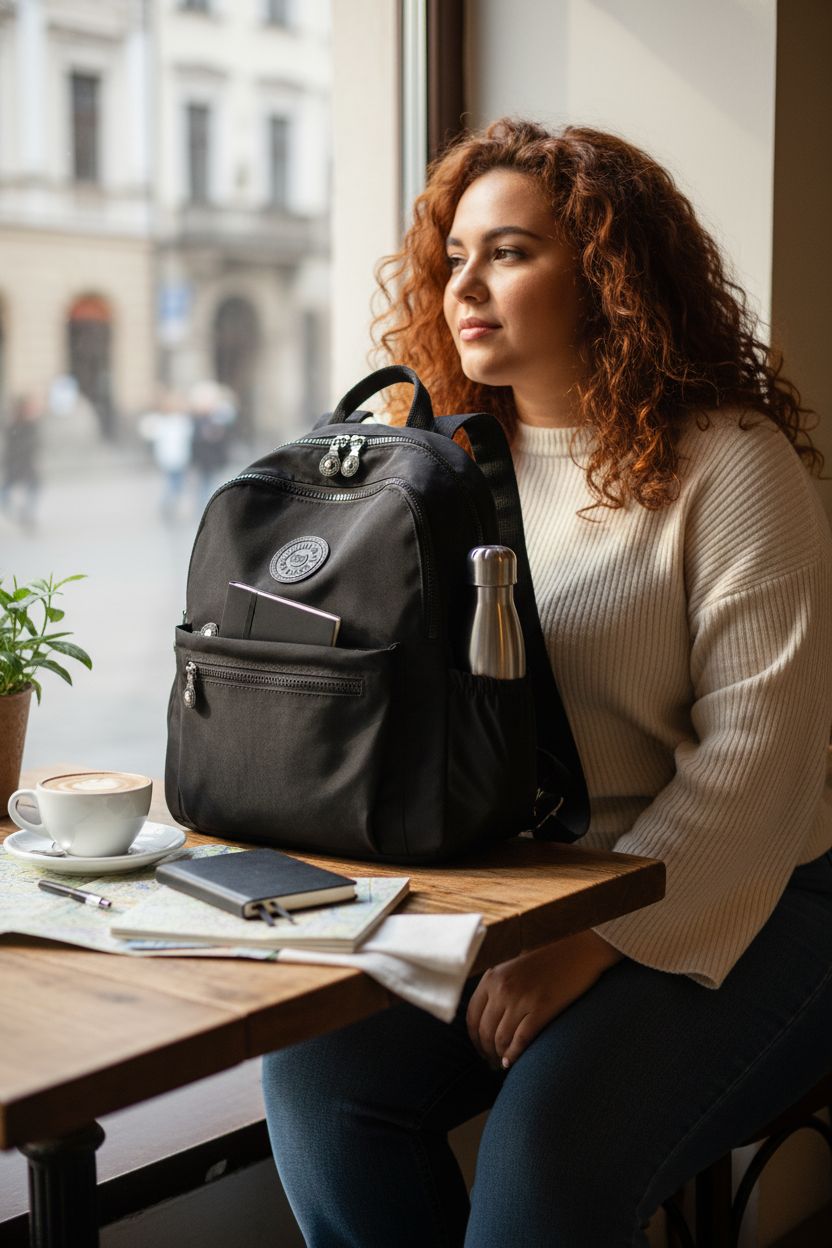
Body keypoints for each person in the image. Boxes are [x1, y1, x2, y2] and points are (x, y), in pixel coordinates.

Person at [261, 119, 832, 1246]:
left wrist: (589, 943)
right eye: (457, 255)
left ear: (607, 277)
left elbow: (756, 761)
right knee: (319, 1089)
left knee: (546, 1166)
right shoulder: (429, 466)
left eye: (510, 252)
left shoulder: (730, 461)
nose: (465, 282)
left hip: (745, 894)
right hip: (515, 894)